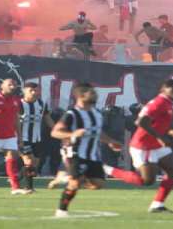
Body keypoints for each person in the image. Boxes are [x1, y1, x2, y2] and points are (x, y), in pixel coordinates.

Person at [103, 78, 173, 213]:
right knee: (146, 181)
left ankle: (157, 204)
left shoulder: (167, 102)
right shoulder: (158, 103)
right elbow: (140, 122)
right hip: (144, 145)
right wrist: (160, 137)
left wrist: (170, 131)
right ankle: (107, 170)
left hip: (156, 145)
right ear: (164, 90)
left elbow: (158, 123)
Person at [51, 83, 124, 218]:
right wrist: (72, 134)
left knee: (98, 184)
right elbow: (55, 132)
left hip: (93, 155)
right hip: (75, 153)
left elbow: (98, 133)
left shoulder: (97, 113)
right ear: (81, 95)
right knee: (74, 184)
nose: (95, 94)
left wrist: (111, 142)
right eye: (92, 92)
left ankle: (69, 176)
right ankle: (61, 211)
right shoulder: (72, 114)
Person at [18, 82, 54, 191]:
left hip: (37, 139)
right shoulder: (18, 104)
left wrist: (58, 131)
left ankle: (16, 178)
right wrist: (17, 138)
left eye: (36, 90)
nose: (34, 93)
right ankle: (29, 188)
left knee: (35, 164)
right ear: (24, 91)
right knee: (28, 161)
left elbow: (48, 119)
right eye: (31, 90)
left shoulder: (41, 104)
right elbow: (13, 122)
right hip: (23, 138)